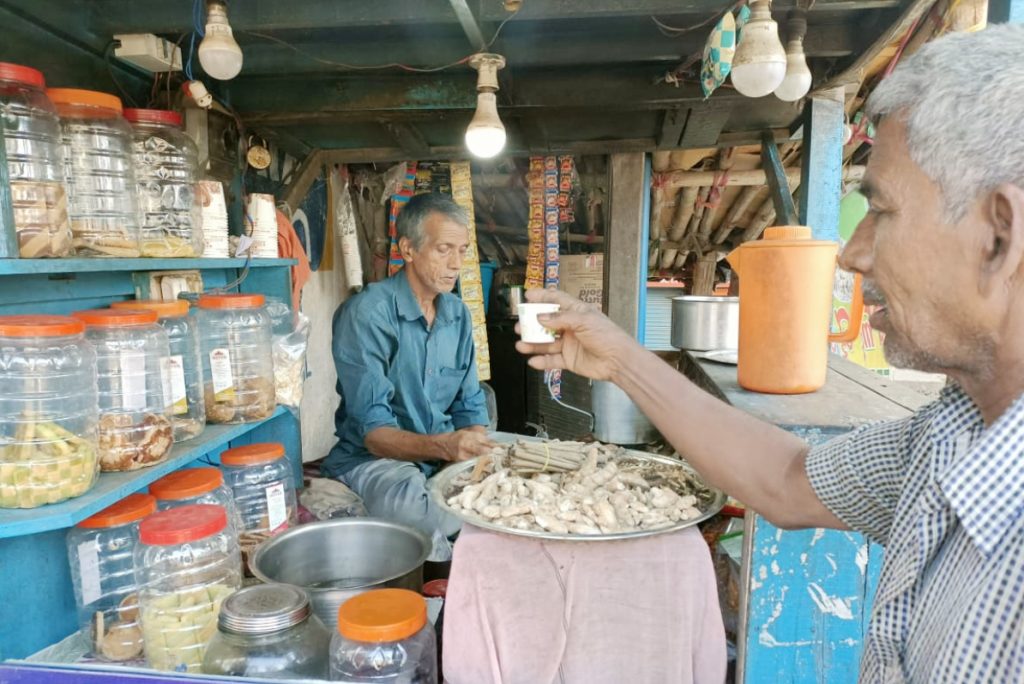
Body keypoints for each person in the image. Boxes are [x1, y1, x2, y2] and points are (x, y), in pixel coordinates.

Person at [518, 25, 1024, 683]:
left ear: (999, 237)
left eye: (883, 211)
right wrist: (618, 357)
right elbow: (786, 480)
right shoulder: (947, 436)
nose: (853, 251)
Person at [322, 193, 494, 560]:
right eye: (444, 249)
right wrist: (446, 448)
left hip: (443, 457)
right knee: (414, 513)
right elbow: (375, 434)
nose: (456, 264)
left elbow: (470, 408)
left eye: (462, 251)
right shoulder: (368, 313)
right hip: (378, 462)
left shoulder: (458, 316)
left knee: (514, 484)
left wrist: (469, 454)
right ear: (409, 249)